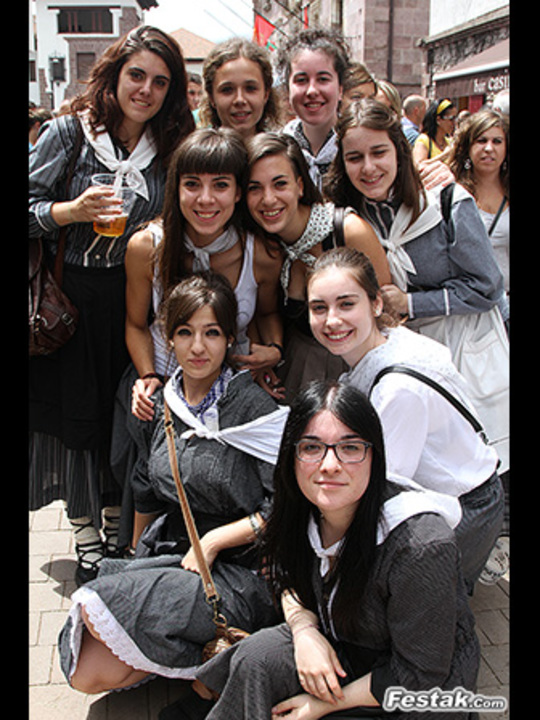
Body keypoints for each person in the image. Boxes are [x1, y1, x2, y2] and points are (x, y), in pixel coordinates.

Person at [184, 381, 480, 720]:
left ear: (375, 456)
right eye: (312, 447)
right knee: (258, 657)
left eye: (350, 447)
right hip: (341, 648)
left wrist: (321, 705)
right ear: (291, 455)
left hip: (416, 689)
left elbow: (421, 673)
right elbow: (284, 576)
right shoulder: (303, 507)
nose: (329, 465)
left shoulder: (420, 546)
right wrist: (304, 632)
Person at [58, 272, 290, 695]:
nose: (198, 347)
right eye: (185, 332)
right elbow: (145, 486)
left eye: (212, 333)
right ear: (168, 338)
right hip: (174, 550)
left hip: (240, 565)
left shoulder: (254, 409)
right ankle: (203, 664)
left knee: (100, 605)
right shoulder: (161, 402)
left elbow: (285, 507)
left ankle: (220, 664)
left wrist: (214, 541)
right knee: (87, 672)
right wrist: (135, 559)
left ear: (230, 339)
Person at [29, 26, 195, 586]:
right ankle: (85, 541)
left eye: (160, 82)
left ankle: (116, 528)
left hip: (133, 303)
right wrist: (69, 212)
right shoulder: (69, 134)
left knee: (118, 421)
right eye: (136, 75)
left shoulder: (168, 146)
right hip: (71, 301)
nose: (145, 90)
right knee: (75, 426)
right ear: (114, 75)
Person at [115, 127, 284, 549]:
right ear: (175, 188)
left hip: (230, 399)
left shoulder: (261, 252)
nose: (205, 199)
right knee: (150, 487)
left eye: (220, 185)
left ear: (238, 192)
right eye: (192, 184)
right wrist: (148, 376)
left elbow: (266, 313)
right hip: (162, 394)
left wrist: (274, 351)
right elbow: (136, 324)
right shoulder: (146, 246)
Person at [323, 99, 508, 475]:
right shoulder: (347, 216)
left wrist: (411, 302)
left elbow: (488, 287)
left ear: (399, 151)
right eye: (355, 157)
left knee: (473, 465)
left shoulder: (446, 202)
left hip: (465, 353)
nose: (369, 167)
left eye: (379, 153)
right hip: (402, 365)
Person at [306, 247, 505, 590]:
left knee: (419, 605)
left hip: (464, 508)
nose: (332, 320)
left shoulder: (397, 390)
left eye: (346, 304)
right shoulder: (390, 342)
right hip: (459, 491)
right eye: (319, 308)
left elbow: (380, 486)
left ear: (376, 304)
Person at [244, 131, 391, 402]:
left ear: (300, 185)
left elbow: (388, 311)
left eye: (280, 184)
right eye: (255, 188)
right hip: (297, 375)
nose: (268, 199)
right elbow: (262, 311)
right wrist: (265, 360)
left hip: (359, 371)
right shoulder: (263, 245)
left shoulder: (348, 230)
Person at [448, 108, 510, 327]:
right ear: (468, 147)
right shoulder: (451, 195)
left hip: (506, 311)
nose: (489, 148)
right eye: (481, 140)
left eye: (497, 141)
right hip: (467, 311)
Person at [277, 28, 350, 191]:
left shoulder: (358, 146)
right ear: (288, 90)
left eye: (323, 79)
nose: (312, 91)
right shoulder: (277, 150)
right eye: (301, 80)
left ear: (340, 88)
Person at [197, 37, 281, 140]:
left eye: (250, 88)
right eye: (227, 90)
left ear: (266, 94)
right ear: (212, 97)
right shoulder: (196, 150)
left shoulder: (284, 148)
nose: (240, 100)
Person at [413, 98, 457, 163]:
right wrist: (444, 155)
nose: (454, 123)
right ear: (438, 120)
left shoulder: (449, 142)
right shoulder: (424, 140)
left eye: (455, 119)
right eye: (451, 119)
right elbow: (419, 165)